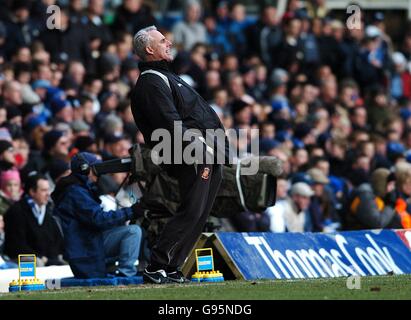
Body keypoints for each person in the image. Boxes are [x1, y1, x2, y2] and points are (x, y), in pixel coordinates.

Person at [130, 26, 225, 284]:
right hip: (190, 153)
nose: (169, 42)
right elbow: (170, 123)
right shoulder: (151, 81)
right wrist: (201, 147)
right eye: (162, 40)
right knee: (192, 210)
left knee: (201, 212)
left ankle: (171, 267)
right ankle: (157, 264)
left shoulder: (167, 76)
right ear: (149, 49)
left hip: (207, 151)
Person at [51, 152, 143, 278]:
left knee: (130, 230)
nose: (99, 171)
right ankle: (127, 275)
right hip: (87, 248)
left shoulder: (79, 189)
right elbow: (98, 219)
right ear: (85, 169)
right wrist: (131, 212)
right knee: (132, 232)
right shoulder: (76, 192)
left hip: (88, 243)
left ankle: (119, 270)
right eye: (96, 168)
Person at [3, 172, 64, 266]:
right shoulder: (17, 211)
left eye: (48, 190)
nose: (48, 194)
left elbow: (57, 241)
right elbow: (17, 245)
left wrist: (50, 260)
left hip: (46, 260)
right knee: (36, 264)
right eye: (43, 190)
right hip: (20, 260)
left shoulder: (47, 211)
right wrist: (41, 259)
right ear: (32, 191)